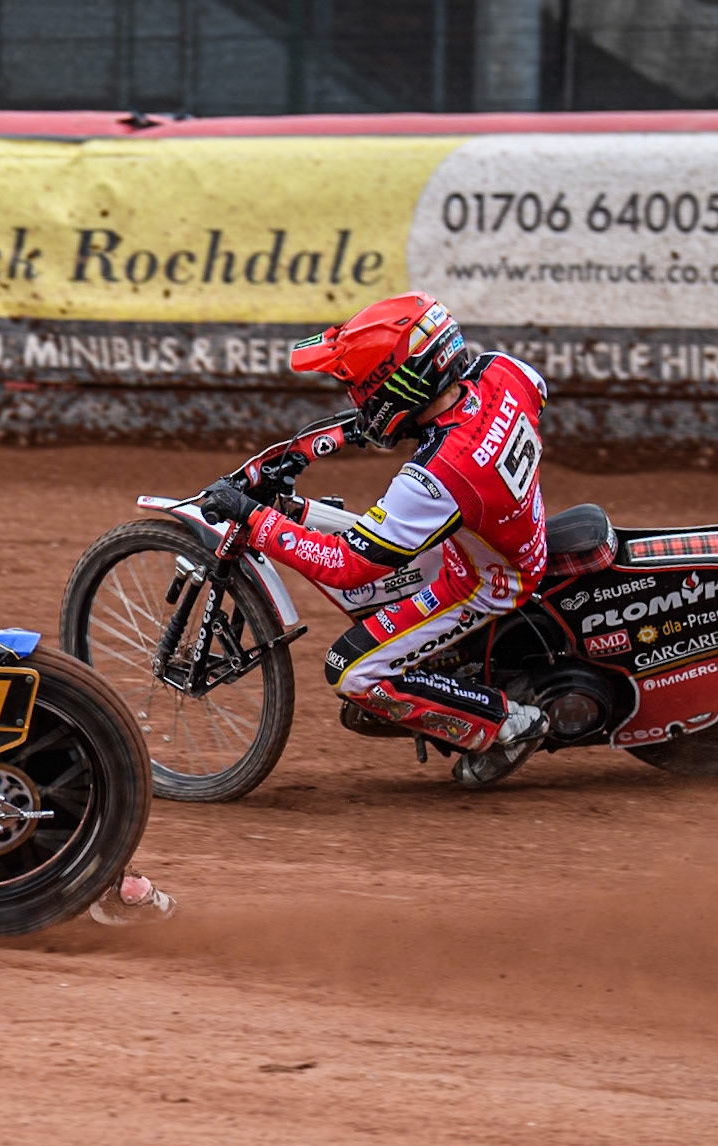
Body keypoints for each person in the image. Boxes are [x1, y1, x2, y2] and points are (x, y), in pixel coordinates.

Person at [201, 292, 552, 787]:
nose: (354, 402)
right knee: (379, 530)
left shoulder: (434, 478)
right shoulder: (503, 372)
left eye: (357, 390)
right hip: (494, 528)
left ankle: (507, 725)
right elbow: (534, 394)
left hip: (485, 579)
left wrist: (254, 518)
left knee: (350, 671)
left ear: (396, 388)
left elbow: (346, 566)